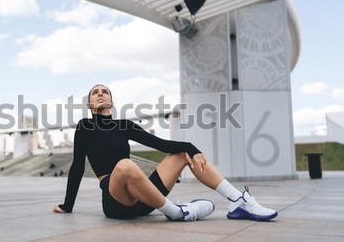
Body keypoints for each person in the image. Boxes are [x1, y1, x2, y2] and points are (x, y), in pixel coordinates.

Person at [53, 84, 278, 222]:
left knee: (181, 154)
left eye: (105, 92)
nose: (100, 94)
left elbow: (162, 144)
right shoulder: (85, 126)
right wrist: (67, 205)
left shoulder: (124, 125)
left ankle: (238, 202)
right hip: (117, 202)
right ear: (90, 105)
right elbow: (78, 166)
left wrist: (192, 148)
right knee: (125, 165)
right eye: (95, 93)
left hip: (145, 199)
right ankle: (177, 213)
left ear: (111, 101)